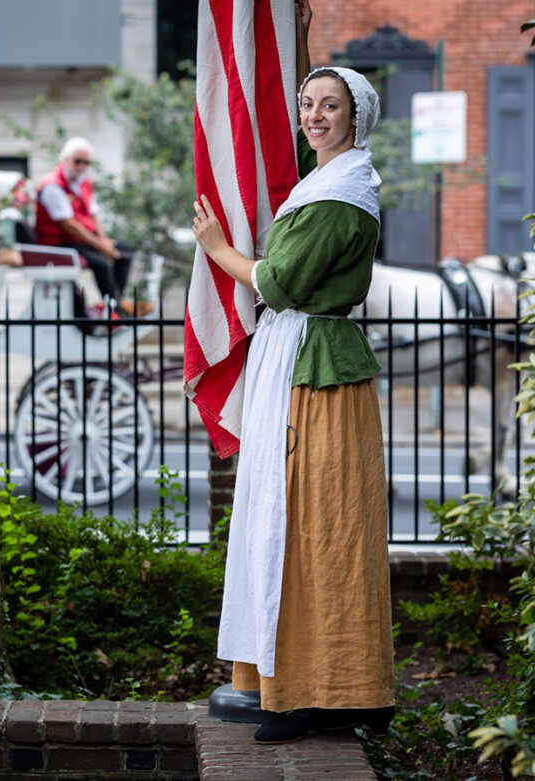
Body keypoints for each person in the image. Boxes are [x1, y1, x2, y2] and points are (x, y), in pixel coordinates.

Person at [190, 0, 394, 745]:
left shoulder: (340, 198)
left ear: (354, 118)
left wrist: (216, 248)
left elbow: (276, 284)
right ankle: (301, 679)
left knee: (311, 525)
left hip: (316, 371)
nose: (313, 115)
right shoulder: (328, 185)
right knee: (300, 522)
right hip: (302, 360)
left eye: (329, 106)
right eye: (307, 102)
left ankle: (315, 688)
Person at [35, 137, 149, 316]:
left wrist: (104, 240)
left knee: (125, 250)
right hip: (58, 243)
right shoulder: (52, 185)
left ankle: (115, 302)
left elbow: (93, 215)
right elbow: (69, 225)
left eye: (86, 162)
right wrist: (99, 245)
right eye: (77, 161)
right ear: (66, 159)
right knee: (101, 262)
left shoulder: (84, 182)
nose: (81, 166)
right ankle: (113, 307)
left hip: (79, 240)